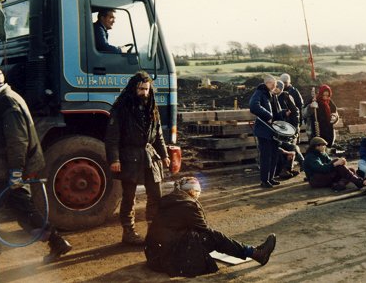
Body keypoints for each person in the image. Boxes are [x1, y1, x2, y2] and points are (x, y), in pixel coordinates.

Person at [0, 67, 71, 264]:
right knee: (24, 209)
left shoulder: (7, 104)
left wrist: (15, 172)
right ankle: (57, 242)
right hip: (3, 168)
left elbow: (18, 142)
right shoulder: (3, 99)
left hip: (5, 170)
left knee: (21, 208)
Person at [145, 177, 276, 277]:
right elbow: (204, 228)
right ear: (191, 191)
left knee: (209, 236)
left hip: (155, 255)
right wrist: (197, 206)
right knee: (213, 237)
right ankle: (254, 253)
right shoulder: (188, 204)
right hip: (169, 256)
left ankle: (253, 251)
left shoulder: (170, 199)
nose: (199, 195)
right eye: (198, 192)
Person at [105, 71, 171, 245]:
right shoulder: (120, 109)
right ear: (133, 88)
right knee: (129, 197)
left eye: (147, 89)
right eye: (141, 89)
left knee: (156, 195)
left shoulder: (152, 108)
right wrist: (115, 160)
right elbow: (112, 138)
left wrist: (164, 155)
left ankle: (154, 232)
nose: (144, 93)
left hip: (150, 156)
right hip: (129, 157)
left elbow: (159, 136)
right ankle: (129, 233)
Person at [249, 75, 286, 188]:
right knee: (266, 156)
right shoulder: (259, 92)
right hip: (263, 131)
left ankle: (271, 178)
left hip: (273, 131)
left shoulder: (272, 95)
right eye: (274, 84)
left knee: (274, 155)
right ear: (268, 83)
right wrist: (267, 115)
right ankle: (264, 180)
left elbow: (276, 112)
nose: (275, 86)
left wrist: (283, 114)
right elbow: (253, 106)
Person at [274, 80, 303, 179]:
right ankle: (285, 169)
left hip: (287, 128)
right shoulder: (271, 98)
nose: (276, 89)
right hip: (276, 129)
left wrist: (294, 128)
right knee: (288, 147)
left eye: (278, 87)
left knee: (291, 147)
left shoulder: (286, 97)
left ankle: (287, 169)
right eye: (275, 87)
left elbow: (295, 112)